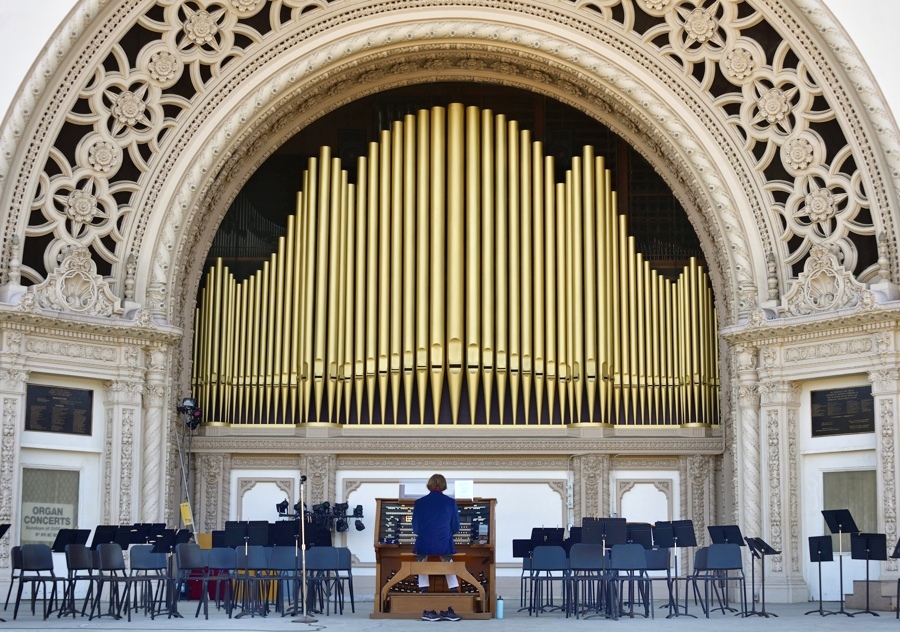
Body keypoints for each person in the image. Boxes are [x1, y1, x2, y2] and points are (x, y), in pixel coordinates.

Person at [412, 473, 460, 593]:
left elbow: (415, 528)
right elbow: (456, 526)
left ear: (429, 485)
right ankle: (453, 588)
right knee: (447, 558)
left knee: (422, 557)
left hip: (424, 543)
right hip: (443, 542)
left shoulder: (419, 503)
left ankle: (423, 588)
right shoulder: (450, 502)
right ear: (444, 485)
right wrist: (446, 533)